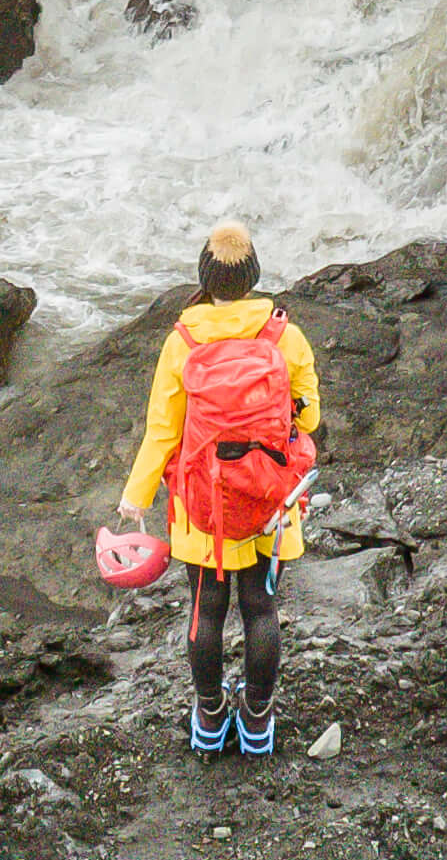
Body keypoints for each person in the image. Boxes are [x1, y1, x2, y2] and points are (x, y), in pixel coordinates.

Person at [114, 219, 320, 757]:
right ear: (253, 277)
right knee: (261, 609)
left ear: (205, 276)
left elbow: (163, 429)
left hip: (203, 507)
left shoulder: (181, 342)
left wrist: (136, 496)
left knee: (206, 609)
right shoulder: (285, 336)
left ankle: (209, 717)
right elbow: (311, 416)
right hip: (271, 503)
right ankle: (256, 721)